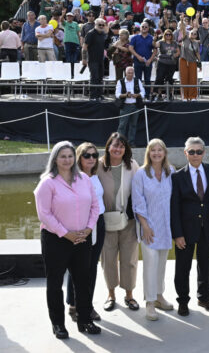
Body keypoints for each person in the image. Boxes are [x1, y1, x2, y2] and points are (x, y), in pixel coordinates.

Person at [34, 141, 101, 339]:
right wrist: (65, 232)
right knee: (55, 283)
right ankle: (58, 324)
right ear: (55, 158)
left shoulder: (84, 179)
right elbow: (44, 214)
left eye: (70, 156)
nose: (67, 160)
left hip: (82, 238)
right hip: (56, 240)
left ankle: (85, 320)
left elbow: (95, 206)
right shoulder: (47, 183)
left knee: (83, 280)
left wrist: (89, 228)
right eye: (62, 156)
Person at [171, 137, 209, 315]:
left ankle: (203, 297)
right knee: (183, 267)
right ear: (185, 153)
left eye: (199, 151)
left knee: (205, 265)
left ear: (204, 153)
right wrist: (177, 234)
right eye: (191, 152)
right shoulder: (177, 176)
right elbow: (174, 207)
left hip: (207, 228)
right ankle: (183, 300)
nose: (195, 155)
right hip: (185, 230)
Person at [131, 139, 175, 321]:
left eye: (160, 150)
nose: (156, 153)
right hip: (149, 226)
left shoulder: (170, 172)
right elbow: (137, 202)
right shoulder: (141, 174)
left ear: (164, 153)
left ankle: (158, 295)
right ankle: (149, 302)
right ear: (148, 153)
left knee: (162, 263)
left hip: (166, 226)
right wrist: (145, 226)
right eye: (153, 150)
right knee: (150, 263)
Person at [97, 133, 140, 312]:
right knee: (108, 259)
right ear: (108, 146)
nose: (117, 149)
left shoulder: (132, 165)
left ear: (126, 149)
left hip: (128, 220)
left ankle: (129, 295)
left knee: (129, 259)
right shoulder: (98, 165)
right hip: (106, 220)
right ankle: (111, 294)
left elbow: (140, 189)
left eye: (121, 146)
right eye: (114, 145)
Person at [65, 142, 104, 323]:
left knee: (92, 267)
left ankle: (87, 305)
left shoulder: (95, 176)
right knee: (78, 267)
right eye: (87, 155)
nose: (91, 159)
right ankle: (74, 304)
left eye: (94, 155)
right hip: (81, 225)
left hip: (98, 223)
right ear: (79, 157)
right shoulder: (72, 178)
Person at [115, 66, 142, 146]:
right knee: (122, 125)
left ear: (134, 73)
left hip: (135, 105)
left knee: (133, 125)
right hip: (125, 106)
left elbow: (143, 92)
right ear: (125, 73)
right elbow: (117, 94)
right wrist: (125, 95)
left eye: (132, 73)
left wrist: (137, 95)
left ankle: (131, 143)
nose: (130, 74)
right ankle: (119, 143)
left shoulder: (138, 81)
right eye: (129, 73)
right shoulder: (120, 81)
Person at [83, 18, 109, 101]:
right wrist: (84, 59)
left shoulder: (103, 34)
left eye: (103, 25)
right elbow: (84, 47)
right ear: (95, 24)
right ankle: (93, 96)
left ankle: (99, 95)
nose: (101, 26)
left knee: (100, 78)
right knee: (94, 77)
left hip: (101, 59)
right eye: (99, 24)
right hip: (92, 59)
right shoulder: (91, 33)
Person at [129, 23, 155, 100]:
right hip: (137, 61)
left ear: (148, 28)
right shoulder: (135, 38)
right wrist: (138, 56)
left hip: (148, 62)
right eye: (142, 26)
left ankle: (147, 96)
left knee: (147, 79)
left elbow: (155, 50)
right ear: (140, 28)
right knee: (138, 79)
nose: (144, 28)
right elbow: (130, 48)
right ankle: (138, 96)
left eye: (146, 27)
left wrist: (150, 60)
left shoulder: (152, 38)